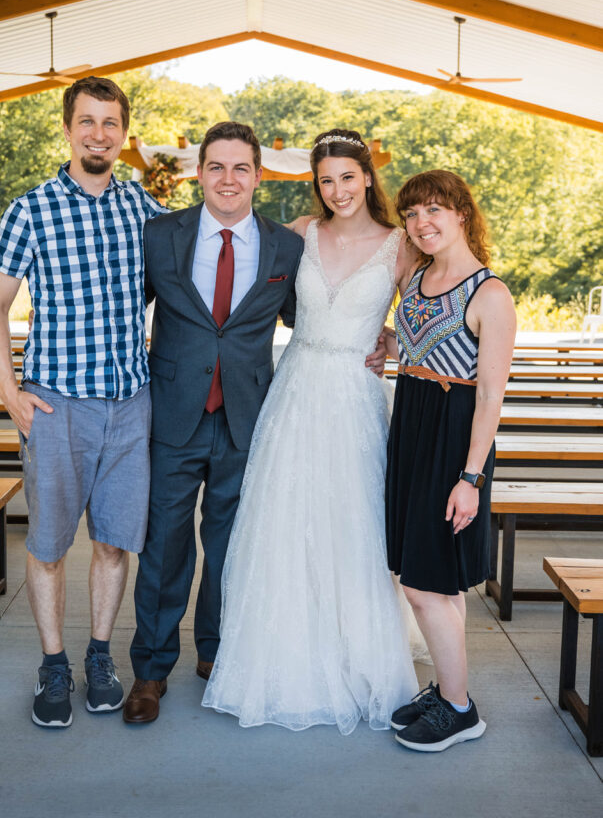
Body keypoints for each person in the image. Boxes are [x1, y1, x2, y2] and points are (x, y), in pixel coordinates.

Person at [201, 129, 419, 734]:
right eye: (326, 179)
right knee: (284, 521)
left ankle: (357, 656)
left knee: (352, 523)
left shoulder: (399, 245)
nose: (337, 189)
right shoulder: (301, 233)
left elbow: (429, 309)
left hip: (354, 397)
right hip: (294, 392)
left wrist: (395, 337)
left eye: (348, 176)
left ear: (369, 178)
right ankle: (284, 657)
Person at [0, 76, 164, 728]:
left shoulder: (140, 206)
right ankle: (53, 662)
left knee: (114, 544)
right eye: (87, 121)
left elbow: (203, 253)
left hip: (129, 402)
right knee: (52, 545)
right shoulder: (30, 209)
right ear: (67, 128)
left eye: (110, 123)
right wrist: (9, 390)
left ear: (123, 133)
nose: (98, 134)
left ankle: (97, 655)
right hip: (57, 406)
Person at [123, 121, 305, 724]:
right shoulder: (160, 235)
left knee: (231, 547)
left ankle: (217, 655)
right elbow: (123, 312)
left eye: (241, 168)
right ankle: (150, 670)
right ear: (199, 173)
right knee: (164, 547)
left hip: (248, 420)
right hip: (173, 417)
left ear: (259, 175)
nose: (229, 180)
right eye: (217, 167)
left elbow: (310, 321)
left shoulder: (286, 247)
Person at [385, 169, 515, 752]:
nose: (422, 223)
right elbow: (418, 343)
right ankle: (447, 687)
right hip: (410, 421)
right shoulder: (415, 276)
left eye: (434, 210)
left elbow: (489, 394)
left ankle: (460, 710)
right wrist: (392, 348)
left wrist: (470, 478)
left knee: (425, 585)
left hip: (454, 436)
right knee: (438, 583)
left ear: (461, 212)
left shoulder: (490, 293)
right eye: (412, 214)